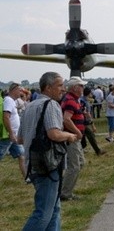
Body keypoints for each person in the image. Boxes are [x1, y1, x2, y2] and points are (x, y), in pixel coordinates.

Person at [18, 72, 79, 230]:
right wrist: (70, 136)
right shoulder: (51, 105)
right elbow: (54, 133)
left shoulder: (29, 106)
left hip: (33, 164)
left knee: (54, 209)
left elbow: (20, 139)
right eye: (60, 85)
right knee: (43, 213)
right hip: (48, 165)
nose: (63, 89)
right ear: (48, 87)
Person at [60, 76, 88, 201]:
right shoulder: (71, 100)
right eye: (81, 86)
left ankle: (65, 189)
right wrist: (77, 132)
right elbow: (66, 119)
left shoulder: (74, 99)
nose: (83, 88)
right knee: (74, 166)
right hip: (72, 137)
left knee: (80, 163)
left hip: (75, 137)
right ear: (75, 87)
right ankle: (65, 193)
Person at [1, 83, 27, 179]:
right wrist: (11, 133)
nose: (21, 93)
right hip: (9, 136)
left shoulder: (12, 101)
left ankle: (26, 177)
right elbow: (6, 117)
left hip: (13, 136)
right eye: (19, 90)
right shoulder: (8, 100)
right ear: (14, 90)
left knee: (21, 154)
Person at [80, 87, 105, 156]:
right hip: (82, 123)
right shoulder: (83, 101)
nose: (92, 94)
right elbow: (86, 113)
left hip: (84, 123)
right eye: (91, 93)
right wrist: (92, 125)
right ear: (88, 93)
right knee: (88, 137)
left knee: (87, 137)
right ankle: (97, 151)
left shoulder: (85, 100)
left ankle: (97, 151)